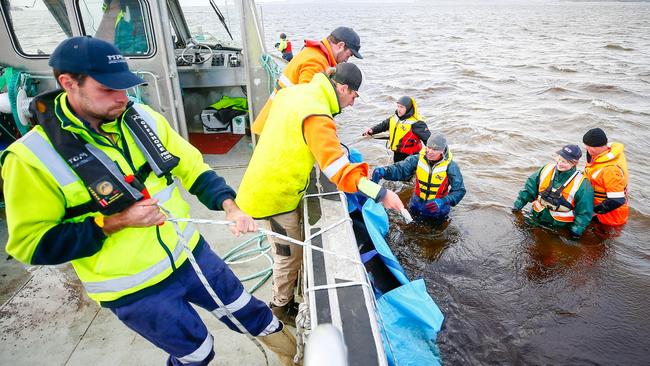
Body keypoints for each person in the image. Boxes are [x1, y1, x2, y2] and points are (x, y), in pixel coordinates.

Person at [1, 37, 297, 366]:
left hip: (191, 254)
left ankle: (295, 358)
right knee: (196, 351)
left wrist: (230, 205)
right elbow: (31, 245)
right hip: (135, 289)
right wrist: (115, 222)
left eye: (124, 87)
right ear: (68, 83)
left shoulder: (141, 116)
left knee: (253, 314)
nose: (122, 98)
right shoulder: (30, 158)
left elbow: (192, 166)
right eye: (108, 89)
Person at [236, 63, 404, 325]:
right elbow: (338, 170)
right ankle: (280, 307)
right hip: (273, 199)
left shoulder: (296, 92)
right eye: (353, 97)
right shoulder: (318, 115)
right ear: (343, 88)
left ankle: (283, 301)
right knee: (288, 256)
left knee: (292, 251)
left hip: (262, 183)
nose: (352, 104)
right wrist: (382, 194)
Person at [251, 26, 363, 135]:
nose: (346, 60)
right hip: (275, 129)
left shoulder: (314, 53)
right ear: (340, 46)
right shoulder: (316, 62)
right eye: (349, 55)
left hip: (273, 123)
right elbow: (308, 107)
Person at [371, 133, 465, 221]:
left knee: (435, 233)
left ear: (442, 150)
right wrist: (384, 171)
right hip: (416, 202)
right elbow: (400, 169)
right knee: (410, 224)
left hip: (438, 207)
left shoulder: (451, 166)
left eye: (435, 149)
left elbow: (459, 190)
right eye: (428, 147)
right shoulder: (417, 159)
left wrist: (444, 201)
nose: (429, 152)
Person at [513, 144, 594, 238]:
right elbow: (529, 188)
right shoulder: (546, 169)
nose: (560, 163)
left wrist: (576, 232)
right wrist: (517, 205)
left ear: (574, 163)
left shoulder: (583, 184)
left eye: (564, 162)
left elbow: (584, 212)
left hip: (559, 227)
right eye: (559, 159)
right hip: (536, 216)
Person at [582, 128, 629, 226]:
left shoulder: (610, 170)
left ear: (595, 147)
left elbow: (617, 200)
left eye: (587, 146)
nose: (585, 148)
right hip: (599, 207)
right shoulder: (606, 153)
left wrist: (593, 212)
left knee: (601, 239)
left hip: (609, 218)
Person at [363, 96, 431, 162]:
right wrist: (372, 130)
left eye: (401, 107)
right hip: (397, 154)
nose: (399, 109)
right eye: (398, 106)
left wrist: (431, 157)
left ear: (408, 108)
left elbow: (429, 141)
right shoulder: (394, 118)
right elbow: (383, 125)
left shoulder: (417, 124)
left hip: (411, 157)